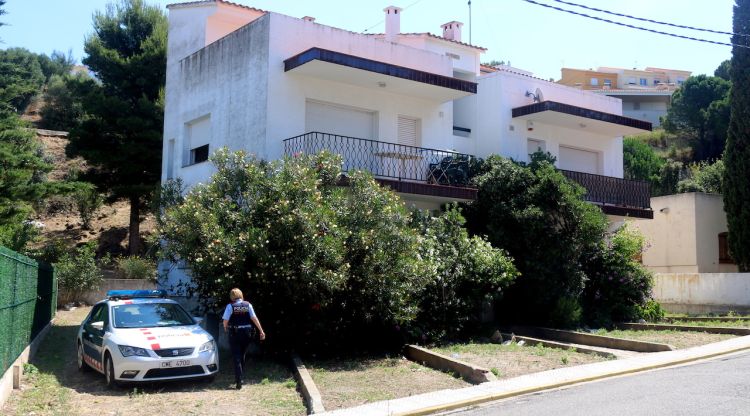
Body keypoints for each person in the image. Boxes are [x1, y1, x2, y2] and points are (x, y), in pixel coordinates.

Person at [222, 288, 266, 389]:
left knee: (236, 356)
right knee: (242, 355)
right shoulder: (248, 305)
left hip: (235, 334)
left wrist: (225, 328)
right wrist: (261, 331)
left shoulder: (230, 306)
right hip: (247, 334)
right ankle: (240, 377)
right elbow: (254, 318)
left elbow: (225, 320)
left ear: (232, 296)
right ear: (241, 295)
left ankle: (239, 380)